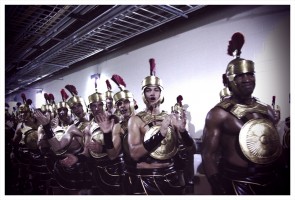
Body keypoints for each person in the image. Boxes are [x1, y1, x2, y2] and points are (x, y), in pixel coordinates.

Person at [201, 32, 284, 195]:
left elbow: (269, 145)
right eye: (239, 76)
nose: (246, 79)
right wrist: (217, 185)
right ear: (228, 81)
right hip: (237, 182)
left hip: (270, 179)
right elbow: (208, 154)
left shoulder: (265, 109)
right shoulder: (218, 113)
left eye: (250, 74)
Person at [127, 58, 193, 195]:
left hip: (171, 175)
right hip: (146, 177)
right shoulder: (136, 120)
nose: (152, 94)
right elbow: (134, 154)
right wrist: (160, 134)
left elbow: (192, 149)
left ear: (161, 93)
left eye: (156, 90)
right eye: (148, 90)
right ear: (143, 94)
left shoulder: (171, 117)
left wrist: (183, 131)